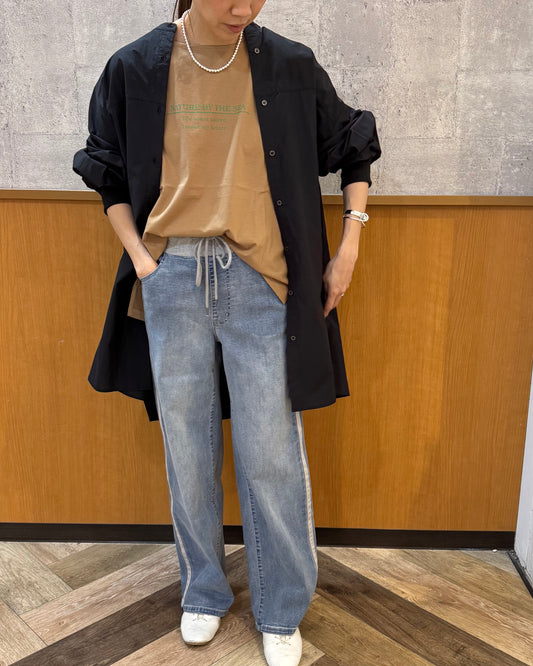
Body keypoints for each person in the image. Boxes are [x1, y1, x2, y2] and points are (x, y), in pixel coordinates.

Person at [73, 1, 381, 664]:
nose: (244, 8)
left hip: (262, 280)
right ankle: (203, 592)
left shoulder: (289, 64)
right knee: (187, 451)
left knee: (271, 454)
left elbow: (352, 142)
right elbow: (104, 167)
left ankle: (281, 608)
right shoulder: (135, 66)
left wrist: (350, 243)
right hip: (173, 276)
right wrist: (143, 260)